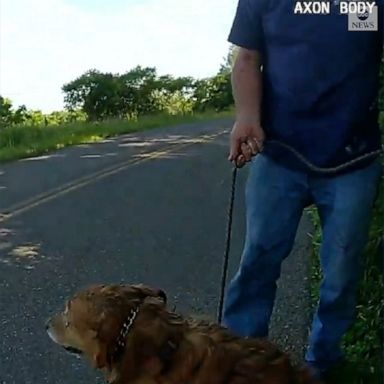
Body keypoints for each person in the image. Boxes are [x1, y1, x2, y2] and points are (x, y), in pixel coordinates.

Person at [222, 0, 383, 380]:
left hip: (352, 156)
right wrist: (247, 116)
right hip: (277, 151)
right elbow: (246, 58)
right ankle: (241, 357)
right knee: (258, 259)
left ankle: (321, 361)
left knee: (341, 270)